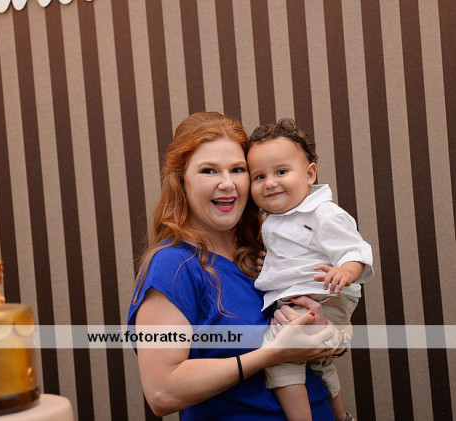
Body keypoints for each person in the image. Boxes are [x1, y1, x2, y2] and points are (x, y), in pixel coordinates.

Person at [128, 111, 342, 420]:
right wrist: (272, 354)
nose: (227, 183)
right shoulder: (173, 265)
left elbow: (343, 332)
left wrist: (330, 335)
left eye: (238, 169)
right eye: (209, 171)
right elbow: (162, 392)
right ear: (181, 181)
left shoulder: (266, 246)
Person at [247, 118, 374, 421]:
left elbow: (356, 250)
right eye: (259, 176)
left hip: (323, 294)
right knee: (318, 363)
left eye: (281, 171)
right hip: (307, 296)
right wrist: (268, 263)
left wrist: (346, 271)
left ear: (309, 174)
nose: (270, 182)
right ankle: (341, 416)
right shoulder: (273, 220)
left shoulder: (323, 213)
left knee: (278, 356)